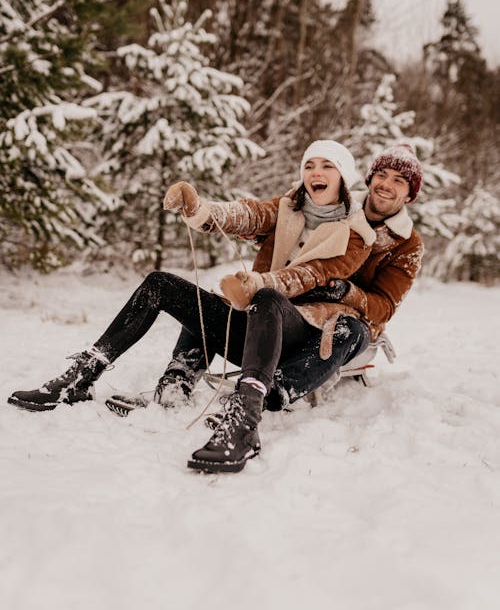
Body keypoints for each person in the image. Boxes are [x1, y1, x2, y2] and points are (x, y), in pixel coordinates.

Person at [8, 139, 376, 474]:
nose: (316, 173)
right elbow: (247, 215)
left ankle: (245, 418)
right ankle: (83, 375)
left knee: (267, 298)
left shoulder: (358, 233)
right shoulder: (287, 209)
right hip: (256, 331)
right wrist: (199, 208)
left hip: (299, 339)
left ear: (343, 177)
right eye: (310, 165)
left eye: (327, 166)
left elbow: (316, 274)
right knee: (160, 284)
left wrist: (263, 282)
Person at [267, 142, 425, 409]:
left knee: (348, 330)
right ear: (370, 178)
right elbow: (289, 224)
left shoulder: (407, 244)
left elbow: (384, 306)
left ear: (409, 195)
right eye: (382, 175)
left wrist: (346, 293)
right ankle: (182, 372)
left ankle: (280, 389)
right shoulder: (338, 205)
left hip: (354, 319)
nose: (386, 184)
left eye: (399, 181)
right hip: (306, 300)